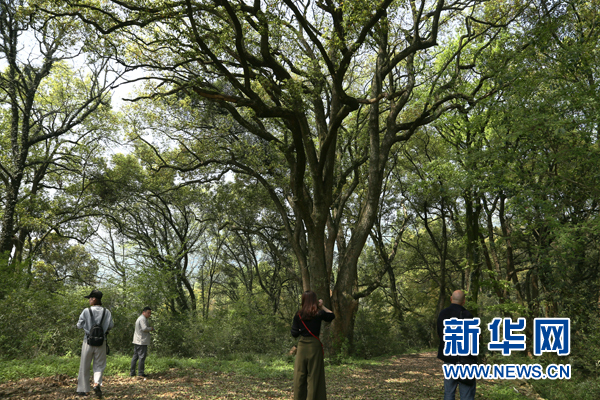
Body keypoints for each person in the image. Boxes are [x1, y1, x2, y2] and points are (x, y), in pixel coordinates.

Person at [291, 290, 335, 400]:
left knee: (300, 376)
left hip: (302, 347)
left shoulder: (298, 315)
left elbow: (294, 333)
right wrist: (322, 306)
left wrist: (301, 329)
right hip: (315, 347)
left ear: (303, 300)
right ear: (314, 301)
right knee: (314, 376)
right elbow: (331, 315)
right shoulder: (318, 313)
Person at [437, 290, 477, 400]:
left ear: (451, 299)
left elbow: (440, 334)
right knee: (467, 395)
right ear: (463, 301)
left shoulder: (443, 314)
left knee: (449, 393)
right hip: (466, 361)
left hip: (449, 359)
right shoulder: (468, 315)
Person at [76, 289, 114, 398]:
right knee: (99, 365)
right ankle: (96, 383)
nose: (89, 300)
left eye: (90, 298)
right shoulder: (107, 312)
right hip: (102, 342)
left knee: (84, 365)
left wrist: (87, 327)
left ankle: (84, 390)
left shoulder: (86, 311)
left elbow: (79, 325)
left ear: (94, 299)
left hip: (87, 341)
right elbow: (111, 326)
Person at [131, 306, 154, 377]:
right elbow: (144, 328)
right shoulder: (142, 319)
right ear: (143, 312)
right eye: (148, 313)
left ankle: (132, 372)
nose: (149, 314)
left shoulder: (141, 318)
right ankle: (140, 373)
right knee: (141, 357)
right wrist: (151, 328)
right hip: (141, 341)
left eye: (150, 313)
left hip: (138, 340)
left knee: (136, 356)